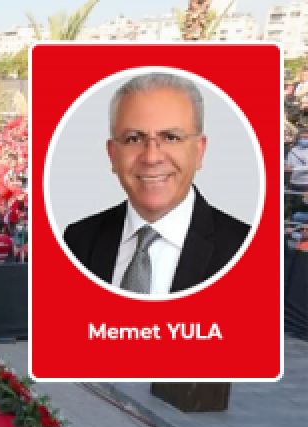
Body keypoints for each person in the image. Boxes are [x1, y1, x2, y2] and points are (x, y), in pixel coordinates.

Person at [63, 72, 250, 296]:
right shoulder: (77, 242)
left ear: (199, 151)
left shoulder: (246, 247)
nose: (151, 157)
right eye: (134, 139)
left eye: (171, 137)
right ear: (113, 155)